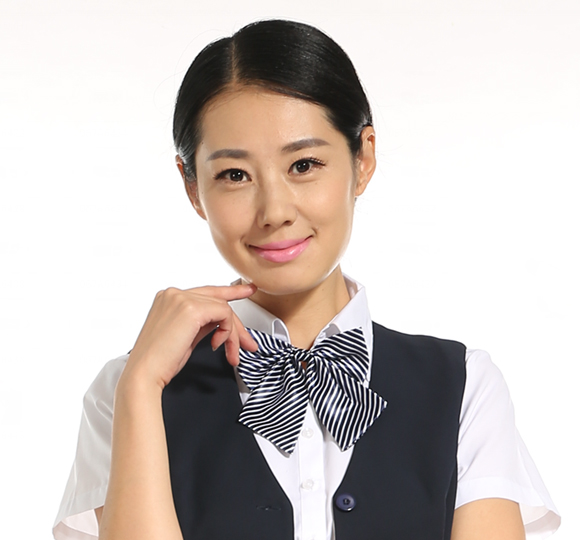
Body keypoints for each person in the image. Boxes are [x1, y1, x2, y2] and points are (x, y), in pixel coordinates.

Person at [53, 19, 560, 540]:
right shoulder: (128, 390)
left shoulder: (464, 386)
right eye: (234, 175)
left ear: (363, 158)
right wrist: (141, 387)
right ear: (192, 187)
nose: (274, 211)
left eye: (304, 164)